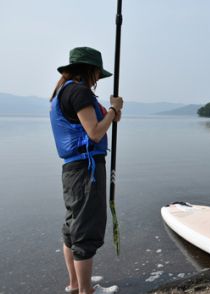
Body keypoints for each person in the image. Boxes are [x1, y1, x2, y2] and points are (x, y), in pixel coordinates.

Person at [50, 47, 123, 294]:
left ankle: (75, 285)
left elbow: (95, 126)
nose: (97, 81)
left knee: (72, 227)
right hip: (85, 170)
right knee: (85, 230)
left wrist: (111, 114)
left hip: (73, 169)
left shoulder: (65, 90)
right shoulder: (78, 92)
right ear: (90, 71)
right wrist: (113, 110)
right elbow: (94, 133)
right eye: (97, 75)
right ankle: (86, 291)